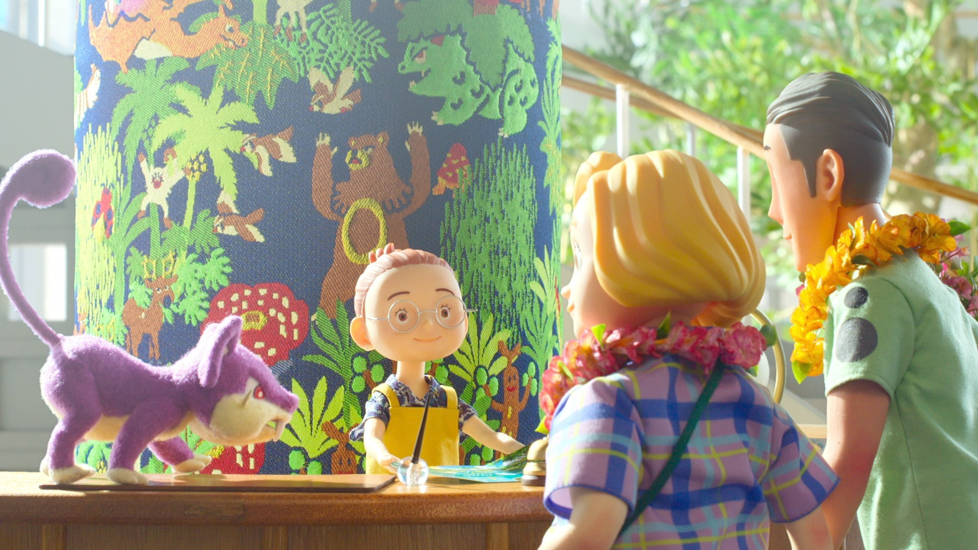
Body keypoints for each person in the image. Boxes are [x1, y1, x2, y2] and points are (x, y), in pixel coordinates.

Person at [538, 150, 836, 550]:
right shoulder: (755, 401)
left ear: (634, 262)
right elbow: (815, 535)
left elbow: (591, 531)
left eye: (579, 257)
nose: (566, 290)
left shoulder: (605, 400)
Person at [764, 71, 978, 549]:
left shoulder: (867, 297)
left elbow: (845, 462)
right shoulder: (927, 282)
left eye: (775, 177)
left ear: (828, 174)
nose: (775, 211)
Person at [349, 244, 523, 474]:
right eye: (402, 315)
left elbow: (490, 437)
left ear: (464, 321)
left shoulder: (448, 401)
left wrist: (530, 454)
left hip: (441, 494)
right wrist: (383, 456)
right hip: (390, 491)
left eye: (444, 312)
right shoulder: (384, 401)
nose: (429, 325)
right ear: (363, 333)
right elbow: (372, 438)